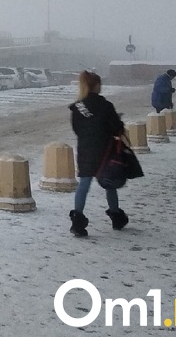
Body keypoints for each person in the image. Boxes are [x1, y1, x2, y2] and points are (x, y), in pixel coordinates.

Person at [67, 71, 128, 237]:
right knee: (109, 183)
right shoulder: (105, 105)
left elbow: (77, 129)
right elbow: (116, 128)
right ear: (97, 85)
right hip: (105, 150)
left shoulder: (78, 107)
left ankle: (77, 222)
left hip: (85, 150)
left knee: (83, 185)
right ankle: (116, 217)